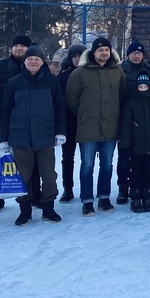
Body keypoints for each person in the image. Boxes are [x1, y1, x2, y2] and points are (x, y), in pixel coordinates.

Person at [0, 44, 66, 226]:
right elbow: (5, 112)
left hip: (45, 137)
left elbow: (60, 108)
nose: (33, 61)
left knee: (49, 176)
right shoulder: (14, 83)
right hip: (20, 138)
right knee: (22, 176)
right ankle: (25, 211)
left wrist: (60, 131)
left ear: (42, 61)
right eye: (30, 59)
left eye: (36, 59)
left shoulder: (52, 82)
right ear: (25, 61)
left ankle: (48, 209)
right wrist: (4, 139)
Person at [65, 37, 127, 217]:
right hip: (88, 127)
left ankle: (104, 197)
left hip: (111, 126)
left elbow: (122, 95)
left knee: (107, 164)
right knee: (87, 165)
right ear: (93, 53)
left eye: (107, 50)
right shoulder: (79, 73)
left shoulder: (118, 72)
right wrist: (85, 114)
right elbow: (71, 98)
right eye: (100, 50)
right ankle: (87, 200)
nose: (104, 53)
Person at [0, 34, 32, 214]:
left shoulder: (33, 66)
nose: (19, 49)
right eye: (16, 45)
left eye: (23, 46)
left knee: (28, 161)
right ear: (11, 48)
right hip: (3, 122)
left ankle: (32, 195)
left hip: (27, 122)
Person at [119, 73, 150, 213]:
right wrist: (125, 145)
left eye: (145, 86)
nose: (143, 88)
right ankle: (135, 196)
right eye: (140, 86)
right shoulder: (131, 104)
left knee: (148, 170)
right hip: (136, 146)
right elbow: (126, 126)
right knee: (136, 171)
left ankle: (147, 194)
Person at [118, 40, 150, 204]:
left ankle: (140, 188)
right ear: (128, 54)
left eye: (140, 53)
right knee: (124, 157)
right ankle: (123, 189)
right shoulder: (119, 71)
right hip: (125, 117)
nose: (137, 55)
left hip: (144, 119)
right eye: (134, 53)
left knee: (142, 158)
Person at [57, 44, 85, 203]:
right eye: (74, 56)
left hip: (85, 122)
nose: (76, 58)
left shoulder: (89, 74)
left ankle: (85, 188)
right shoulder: (62, 76)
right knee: (67, 158)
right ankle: (68, 188)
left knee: (87, 160)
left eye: (79, 55)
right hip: (68, 123)